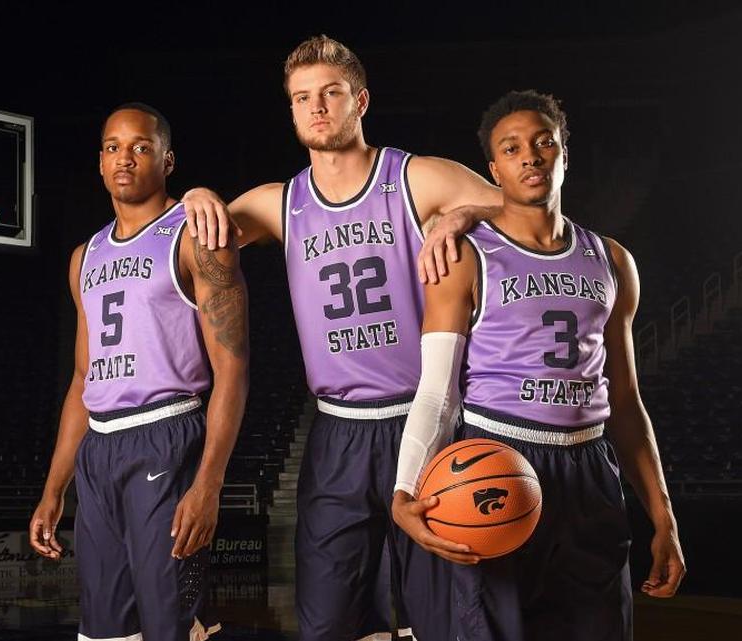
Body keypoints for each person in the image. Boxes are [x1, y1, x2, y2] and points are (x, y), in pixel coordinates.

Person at [183, 35, 501, 641]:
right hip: (337, 432)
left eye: (331, 93)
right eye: (303, 98)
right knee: (327, 623)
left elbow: (525, 210)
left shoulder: (415, 178)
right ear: (293, 111)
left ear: (361, 100)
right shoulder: (281, 203)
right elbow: (188, 241)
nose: (318, 106)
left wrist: (461, 214)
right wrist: (196, 197)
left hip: (426, 422)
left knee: (443, 618)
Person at [391, 90, 686, 641]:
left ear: (564, 155)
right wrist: (406, 486)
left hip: (591, 472)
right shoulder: (464, 255)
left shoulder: (612, 260)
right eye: (512, 148)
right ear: (494, 168)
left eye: (542, 142)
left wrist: (662, 516)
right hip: (498, 459)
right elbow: (436, 392)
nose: (529, 155)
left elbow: (625, 402)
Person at [28, 103, 249, 641]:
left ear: (167, 160)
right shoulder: (86, 257)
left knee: (172, 626)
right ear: (100, 163)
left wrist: (209, 484)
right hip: (99, 451)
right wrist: (53, 489)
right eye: (112, 147)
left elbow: (233, 369)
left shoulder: (195, 235)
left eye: (140, 147)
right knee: (105, 631)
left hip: (167, 438)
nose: (124, 158)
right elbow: (83, 381)